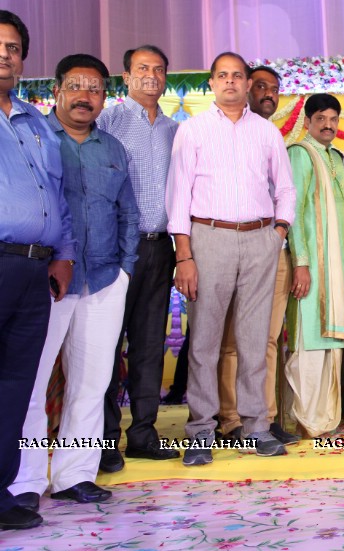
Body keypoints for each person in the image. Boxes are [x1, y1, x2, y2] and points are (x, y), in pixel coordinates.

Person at [14, 54, 139, 508]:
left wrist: (126, 268)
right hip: (48, 279)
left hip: (105, 278)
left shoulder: (111, 148)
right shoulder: (35, 139)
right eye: (76, 86)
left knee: (92, 380)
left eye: (95, 89)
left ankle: (73, 475)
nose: (85, 96)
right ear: (57, 90)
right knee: (30, 380)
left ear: (105, 97)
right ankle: (24, 480)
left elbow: (128, 210)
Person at [166, 51, 296, 465]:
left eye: (237, 76)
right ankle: (201, 432)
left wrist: (278, 232)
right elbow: (178, 194)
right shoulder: (193, 130)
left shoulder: (266, 132)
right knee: (204, 340)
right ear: (212, 84)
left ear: (246, 83)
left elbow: (285, 189)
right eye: (222, 76)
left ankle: (257, 426)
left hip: (260, 239)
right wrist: (183, 253)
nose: (230, 82)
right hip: (209, 238)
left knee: (256, 339)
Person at [0, 11, 75, 531]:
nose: (5, 54)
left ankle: (3, 490)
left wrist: (64, 254)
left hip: (34, 273)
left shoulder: (37, 123)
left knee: (15, 385)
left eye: (13, 47)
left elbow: (58, 196)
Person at [98, 45, 180, 472]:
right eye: (142, 68)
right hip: (116, 247)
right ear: (126, 77)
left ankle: (143, 434)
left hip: (159, 246)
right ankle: (105, 440)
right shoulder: (108, 119)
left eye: (158, 69)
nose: (151, 75)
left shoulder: (174, 130)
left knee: (150, 342)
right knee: (109, 344)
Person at [217, 63, 299, 446]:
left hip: (273, 249)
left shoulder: (274, 137)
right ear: (246, 88)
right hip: (232, 246)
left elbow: (287, 194)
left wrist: (280, 237)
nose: (268, 93)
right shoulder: (221, 133)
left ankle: (263, 420)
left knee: (267, 340)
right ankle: (231, 421)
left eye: (274, 88)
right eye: (261, 86)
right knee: (232, 340)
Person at [284, 93, 344, 438]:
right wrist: (300, 262)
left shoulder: (335, 158)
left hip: (336, 265)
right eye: (321, 119)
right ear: (308, 122)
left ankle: (326, 419)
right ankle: (306, 418)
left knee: (331, 343)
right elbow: (294, 213)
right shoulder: (300, 154)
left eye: (333, 119)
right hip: (312, 265)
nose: (328, 125)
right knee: (309, 339)